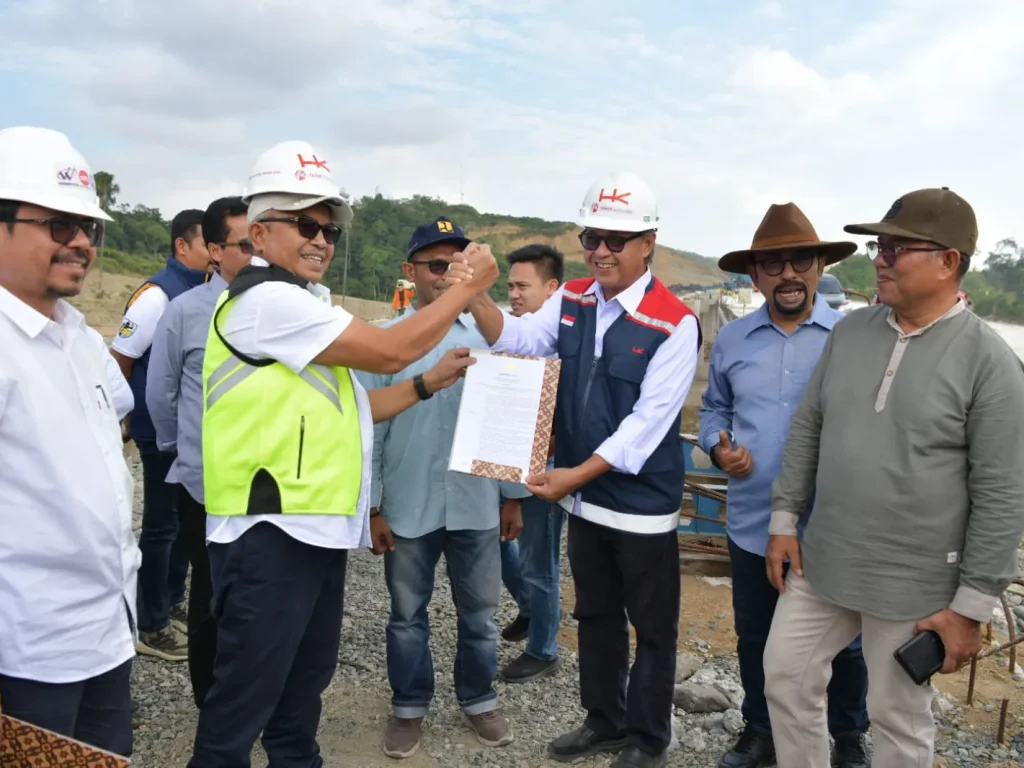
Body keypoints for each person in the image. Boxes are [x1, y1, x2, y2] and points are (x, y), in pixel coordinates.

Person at [187, 141, 500, 767]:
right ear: (259, 231)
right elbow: (387, 352)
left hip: (312, 535)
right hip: (267, 535)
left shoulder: (301, 306)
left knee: (300, 697)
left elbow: (363, 407)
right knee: (241, 709)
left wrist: (422, 385)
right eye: (306, 224)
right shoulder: (264, 304)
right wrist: (463, 290)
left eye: (328, 228)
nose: (321, 239)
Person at [763, 187, 1024, 768]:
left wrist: (970, 609)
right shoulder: (852, 333)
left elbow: (1003, 496)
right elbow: (809, 426)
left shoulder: (991, 363)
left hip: (916, 582)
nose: (879, 258)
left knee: (897, 719)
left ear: (948, 261)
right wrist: (784, 521)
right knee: (785, 677)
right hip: (824, 558)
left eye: (897, 248)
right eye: (879, 245)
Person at [465, 172, 702, 768]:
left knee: (651, 630)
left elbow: (646, 427)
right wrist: (471, 294)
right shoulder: (572, 299)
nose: (600, 250)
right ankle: (604, 720)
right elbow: (517, 341)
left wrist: (572, 474)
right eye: (592, 236)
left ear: (648, 242)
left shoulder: (673, 322)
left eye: (616, 240)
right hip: (584, 501)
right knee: (595, 616)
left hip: (641, 507)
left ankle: (648, 740)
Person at [698, 203, 869, 768]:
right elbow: (714, 408)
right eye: (772, 264)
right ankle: (760, 729)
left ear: (820, 265)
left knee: (845, 638)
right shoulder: (734, 340)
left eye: (800, 259)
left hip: (834, 524)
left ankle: (848, 735)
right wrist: (718, 445)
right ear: (754, 275)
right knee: (756, 633)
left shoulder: (854, 338)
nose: (787, 273)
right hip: (751, 519)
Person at [358, 216, 530, 759]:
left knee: (480, 615)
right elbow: (371, 430)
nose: (448, 274)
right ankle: (409, 706)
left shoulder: (491, 339)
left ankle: (479, 698)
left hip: (477, 505)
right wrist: (374, 506)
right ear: (411, 272)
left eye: (458, 265)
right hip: (408, 505)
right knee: (407, 616)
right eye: (437, 265)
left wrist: (512, 498)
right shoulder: (388, 342)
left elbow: (511, 424)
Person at [0, 125, 139, 757]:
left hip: (108, 626)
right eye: (58, 224)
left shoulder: (80, 337)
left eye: (89, 227)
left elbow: (115, 426)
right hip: (28, 645)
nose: (81, 240)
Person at [145, 196, 253, 708]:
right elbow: (160, 393)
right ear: (214, 250)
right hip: (205, 488)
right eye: (244, 244)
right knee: (209, 602)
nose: (257, 254)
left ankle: (254, 697)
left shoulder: (288, 309)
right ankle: (211, 703)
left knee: (259, 601)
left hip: (269, 493)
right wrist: (182, 451)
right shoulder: (184, 312)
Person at [110, 208, 211, 662]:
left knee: (183, 526)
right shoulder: (157, 295)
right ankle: (149, 624)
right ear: (182, 247)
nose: (214, 253)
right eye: (207, 244)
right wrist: (124, 420)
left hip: (187, 431)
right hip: (156, 430)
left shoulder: (203, 292)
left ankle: (170, 601)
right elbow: (122, 360)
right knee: (159, 528)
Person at [498, 243, 568, 684]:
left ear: (551, 288)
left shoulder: (561, 345)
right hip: (502, 463)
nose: (515, 294)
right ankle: (528, 607)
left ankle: (544, 649)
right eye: (510, 285)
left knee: (540, 559)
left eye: (523, 285)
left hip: (543, 468)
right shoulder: (507, 336)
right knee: (503, 547)